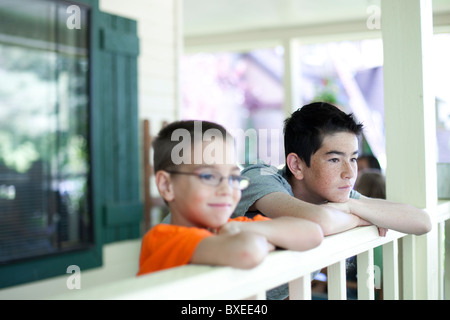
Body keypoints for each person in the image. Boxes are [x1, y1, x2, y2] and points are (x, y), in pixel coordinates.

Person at [137, 120, 323, 276]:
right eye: (209, 176)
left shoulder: (231, 226)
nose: (227, 189)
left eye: (234, 178)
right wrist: (268, 238)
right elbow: (247, 251)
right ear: (166, 185)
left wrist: (239, 227)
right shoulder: (162, 239)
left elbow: (313, 232)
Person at [233, 101, 431, 237]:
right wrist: (359, 215)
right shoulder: (261, 178)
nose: (350, 173)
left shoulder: (332, 194)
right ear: (296, 165)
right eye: (335, 160)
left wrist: (351, 207)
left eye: (353, 159)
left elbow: (422, 221)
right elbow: (321, 221)